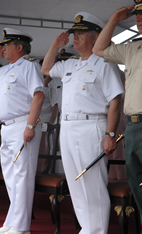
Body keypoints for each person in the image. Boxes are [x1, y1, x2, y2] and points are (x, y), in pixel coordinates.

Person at [41, 12, 124, 234]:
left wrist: (110, 134)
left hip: (92, 127)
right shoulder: (70, 64)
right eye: (74, 33)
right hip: (68, 128)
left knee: (93, 184)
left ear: (96, 37)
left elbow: (115, 100)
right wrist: (55, 46)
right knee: (76, 183)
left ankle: (97, 231)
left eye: (81, 33)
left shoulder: (105, 62)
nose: (75, 37)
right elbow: (46, 69)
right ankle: (87, 228)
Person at [0, 28, 44, 234]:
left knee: (22, 176)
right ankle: (12, 221)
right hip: (6, 127)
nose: (3, 49)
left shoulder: (29, 67)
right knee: (10, 177)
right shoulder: (3, 70)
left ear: (19, 47)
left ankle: (22, 226)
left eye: (6, 45)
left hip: (23, 124)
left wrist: (30, 126)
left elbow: (38, 95)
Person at [92, 1, 142, 218]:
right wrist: (114, 19)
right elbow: (98, 49)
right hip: (133, 125)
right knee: (137, 181)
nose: (138, 20)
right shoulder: (133, 48)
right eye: (137, 17)